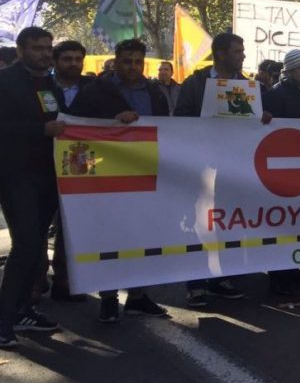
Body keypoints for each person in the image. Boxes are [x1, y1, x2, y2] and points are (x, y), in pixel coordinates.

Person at [70, 39, 172, 322]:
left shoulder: (154, 92)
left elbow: (168, 128)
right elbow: (75, 124)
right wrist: (113, 122)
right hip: (108, 175)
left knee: (144, 235)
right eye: (127, 61)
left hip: (146, 173)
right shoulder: (96, 91)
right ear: (116, 61)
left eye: (138, 61)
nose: (133, 67)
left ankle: (138, 296)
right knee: (109, 237)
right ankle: (109, 297)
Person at [173, 33, 250, 307]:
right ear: (220, 54)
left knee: (230, 220)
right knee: (196, 222)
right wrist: (207, 123)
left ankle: (223, 277)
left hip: (233, 168)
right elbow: (180, 118)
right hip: (199, 165)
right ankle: (195, 281)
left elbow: (252, 124)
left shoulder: (246, 84)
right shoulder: (196, 83)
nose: (243, 55)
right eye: (237, 51)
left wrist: (262, 116)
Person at [0, 27, 65, 347]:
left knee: (35, 246)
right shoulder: (5, 81)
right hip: (15, 176)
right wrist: (42, 129)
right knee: (25, 245)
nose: (44, 53)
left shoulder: (50, 82)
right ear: (21, 49)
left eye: (47, 48)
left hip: (48, 176)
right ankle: (3, 319)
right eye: (37, 48)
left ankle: (23, 309)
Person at [260, 49, 300, 296]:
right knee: (281, 222)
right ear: (288, 70)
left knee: (299, 220)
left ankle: (293, 268)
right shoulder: (276, 94)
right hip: (283, 164)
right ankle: (278, 275)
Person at [37, 40, 93, 303]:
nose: (73, 63)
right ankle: (34, 284)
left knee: (71, 227)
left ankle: (65, 281)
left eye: (77, 59)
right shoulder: (40, 86)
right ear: (55, 61)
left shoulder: (94, 88)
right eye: (67, 58)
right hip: (39, 167)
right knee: (35, 230)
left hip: (81, 166)